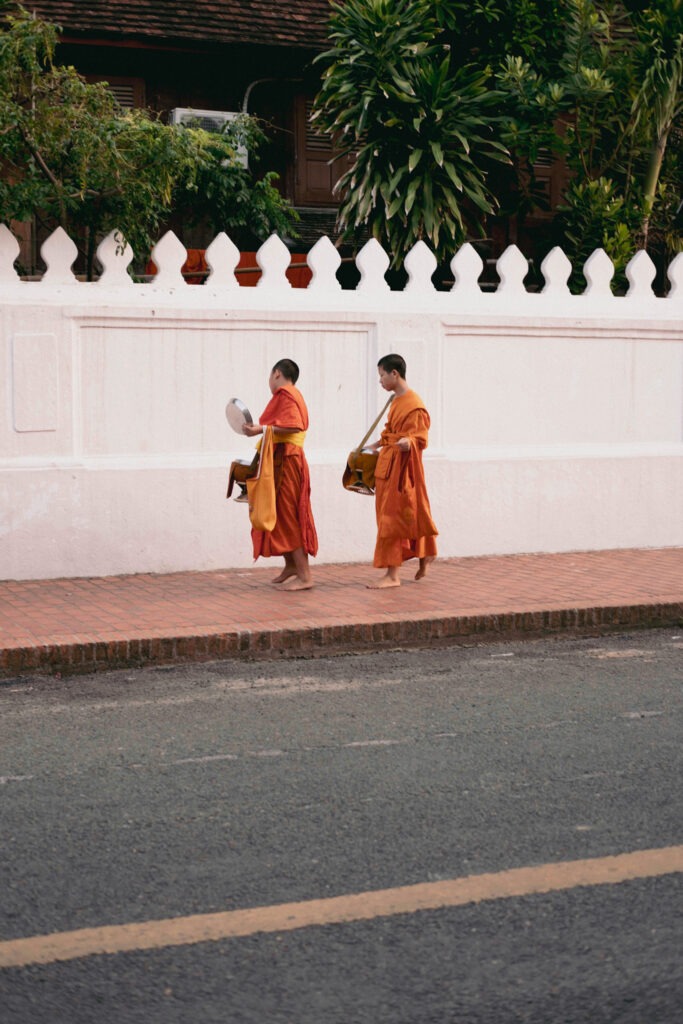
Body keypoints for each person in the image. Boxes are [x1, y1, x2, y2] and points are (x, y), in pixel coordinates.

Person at [242, 359, 318, 590]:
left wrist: (262, 429)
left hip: (288, 461)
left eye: (270, 375)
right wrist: (262, 430)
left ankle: (305, 576)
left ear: (276, 373)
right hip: (282, 458)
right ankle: (292, 567)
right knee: (278, 512)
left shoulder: (286, 394)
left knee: (288, 515)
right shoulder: (292, 395)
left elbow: (294, 426)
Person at [367, 353, 438, 588]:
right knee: (410, 513)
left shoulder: (414, 404)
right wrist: (376, 445)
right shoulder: (396, 401)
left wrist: (410, 441)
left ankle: (392, 575)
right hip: (389, 463)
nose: (380, 381)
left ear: (394, 374)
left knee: (393, 517)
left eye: (382, 375)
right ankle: (426, 554)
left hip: (403, 468)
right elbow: (389, 431)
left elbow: (420, 437)